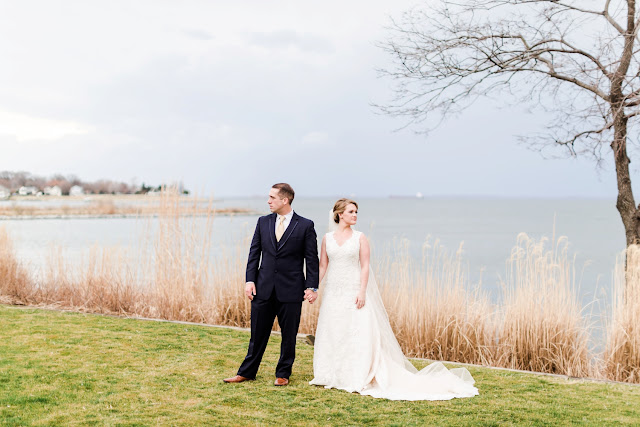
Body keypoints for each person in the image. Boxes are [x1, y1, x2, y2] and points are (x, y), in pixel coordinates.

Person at [309, 198, 479, 400]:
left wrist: (362, 291)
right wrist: (313, 288)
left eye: (356, 212)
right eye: (351, 212)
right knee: (334, 330)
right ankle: (330, 373)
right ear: (339, 214)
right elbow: (322, 266)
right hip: (333, 293)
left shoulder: (360, 238)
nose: (355, 215)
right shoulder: (328, 238)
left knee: (355, 332)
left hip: (354, 290)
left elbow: (365, 266)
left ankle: (355, 374)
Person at [224, 183, 319, 386]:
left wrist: (312, 287)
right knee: (257, 334)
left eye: (272, 198)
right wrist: (250, 280)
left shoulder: (305, 225)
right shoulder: (263, 222)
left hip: (291, 290)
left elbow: (312, 259)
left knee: (289, 335)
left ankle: (283, 373)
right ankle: (247, 372)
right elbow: (254, 254)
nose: (268, 201)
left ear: (285, 200)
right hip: (263, 288)